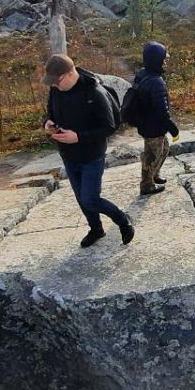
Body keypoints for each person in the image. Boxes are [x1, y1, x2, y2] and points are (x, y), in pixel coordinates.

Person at [43, 54, 135, 248]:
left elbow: (110, 126)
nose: (55, 86)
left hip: (92, 155)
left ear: (70, 73)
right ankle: (96, 229)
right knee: (81, 198)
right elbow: (50, 112)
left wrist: (79, 137)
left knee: (90, 198)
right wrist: (48, 123)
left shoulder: (94, 92)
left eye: (57, 81)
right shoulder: (56, 90)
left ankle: (123, 220)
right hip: (68, 154)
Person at [133, 41, 180, 196]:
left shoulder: (143, 74)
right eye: (163, 59)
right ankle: (147, 185)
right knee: (152, 155)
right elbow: (162, 111)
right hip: (152, 126)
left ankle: (154, 175)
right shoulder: (156, 82)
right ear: (157, 60)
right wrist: (173, 128)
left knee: (164, 149)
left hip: (147, 123)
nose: (165, 62)